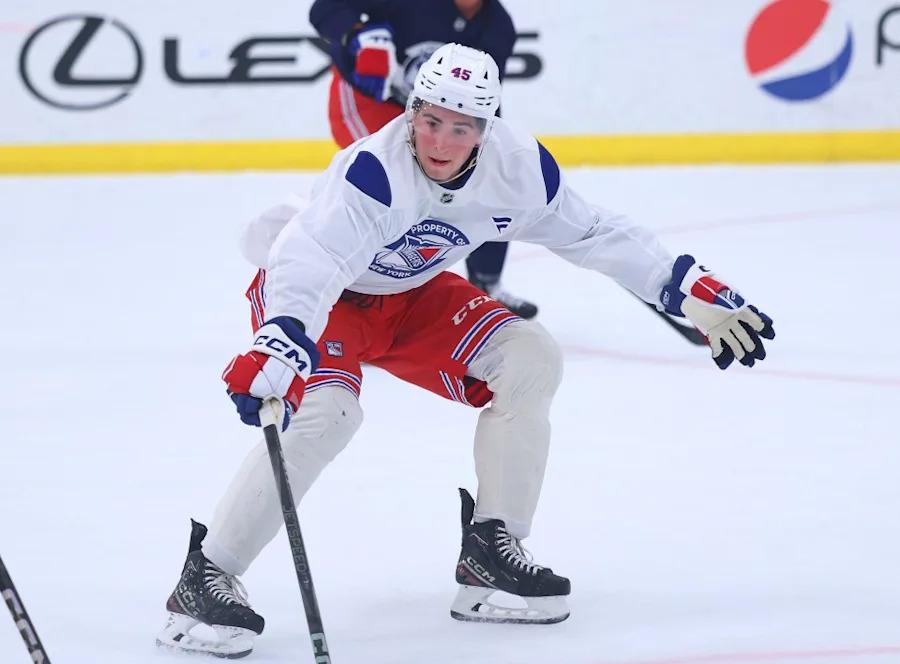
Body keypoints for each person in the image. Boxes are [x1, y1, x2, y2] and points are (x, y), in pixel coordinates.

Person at [156, 44, 775, 658]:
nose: (442, 141)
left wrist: (683, 286)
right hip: (326, 299)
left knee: (530, 360)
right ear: (411, 111)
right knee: (329, 416)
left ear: (486, 127)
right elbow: (311, 258)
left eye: (462, 127)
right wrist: (282, 340)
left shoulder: (520, 167)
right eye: (429, 121)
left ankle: (490, 548)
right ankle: (206, 576)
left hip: (413, 293)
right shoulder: (373, 171)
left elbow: (593, 232)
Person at [308, 0, 539, 319]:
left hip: (431, 117)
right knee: (385, 181)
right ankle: (347, 293)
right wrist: (359, 34)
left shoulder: (498, 27)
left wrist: (486, 151)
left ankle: (487, 285)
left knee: (488, 176)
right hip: (369, 99)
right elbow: (325, 9)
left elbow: (483, 101)